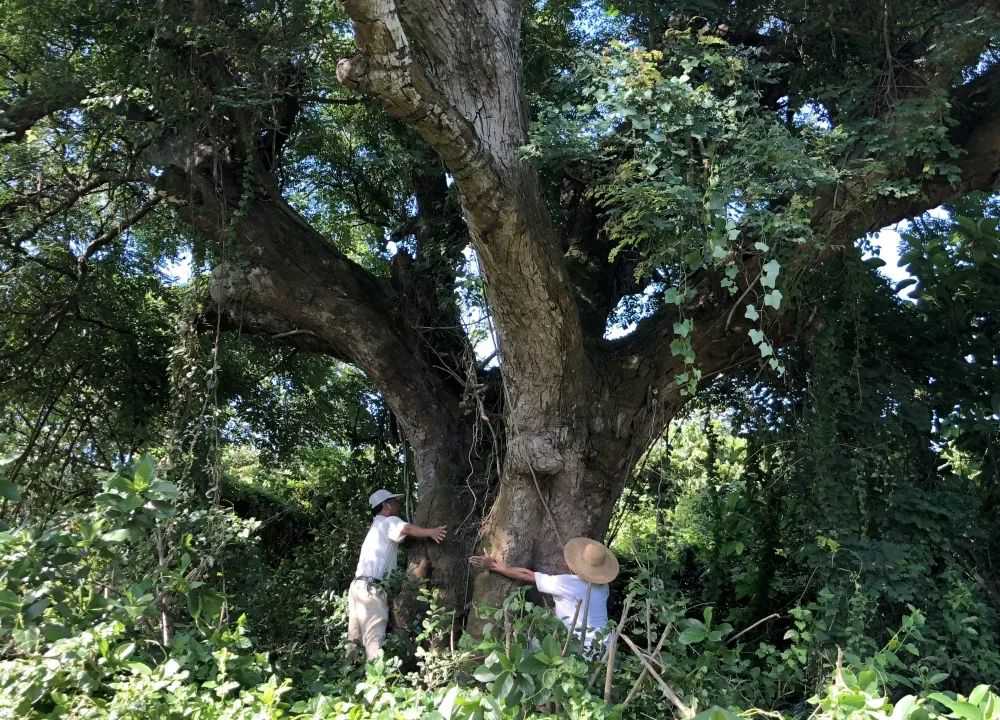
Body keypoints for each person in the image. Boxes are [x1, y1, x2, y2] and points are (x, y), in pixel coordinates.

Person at [348, 489, 447, 660]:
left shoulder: (376, 526)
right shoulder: (388, 521)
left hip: (357, 587)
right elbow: (406, 528)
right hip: (371, 589)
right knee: (374, 638)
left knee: (354, 640)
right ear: (386, 506)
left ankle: (348, 676)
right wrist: (431, 532)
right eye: (394, 502)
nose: (398, 505)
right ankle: (377, 681)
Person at [469, 537, 619, 649]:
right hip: (605, 646)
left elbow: (528, 575)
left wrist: (496, 567)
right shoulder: (603, 586)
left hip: (581, 647)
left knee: (530, 646)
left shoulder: (567, 583)